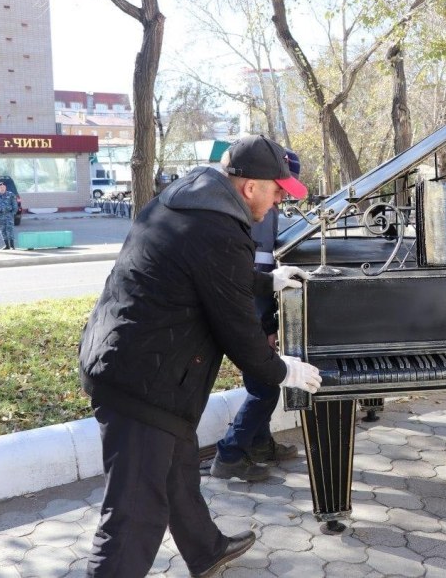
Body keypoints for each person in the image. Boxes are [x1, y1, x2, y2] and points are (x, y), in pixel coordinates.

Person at [78, 134, 322, 578]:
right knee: (134, 516)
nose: (278, 202)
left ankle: (206, 549)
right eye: (277, 191)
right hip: (143, 382)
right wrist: (282, 370)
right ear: (250, 187)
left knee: (178, 468)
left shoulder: (187, 201)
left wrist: (267, 280)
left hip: (124, 357)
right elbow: (239, 333)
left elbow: (202, 269)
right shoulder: (221, 231)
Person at [211, 149, 303, 481]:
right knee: (265, 388)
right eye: (281, 190)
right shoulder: (255, 217)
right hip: (248, 319)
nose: (281, 198)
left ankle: (261, 443)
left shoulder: (261, 211)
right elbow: (251, 279)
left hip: (249, 316)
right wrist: (266, 325)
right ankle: (230, 454)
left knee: (260, 385)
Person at [0, 182, 17, 250]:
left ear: (5, 187)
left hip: (8, 215)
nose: (2, 188)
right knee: (2, 230)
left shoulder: (10, 194)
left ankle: (12, 246)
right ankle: (7, 245)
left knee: (10, 230)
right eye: (0, 187)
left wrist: (12, 213)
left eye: (3, 187)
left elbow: (15, 205)